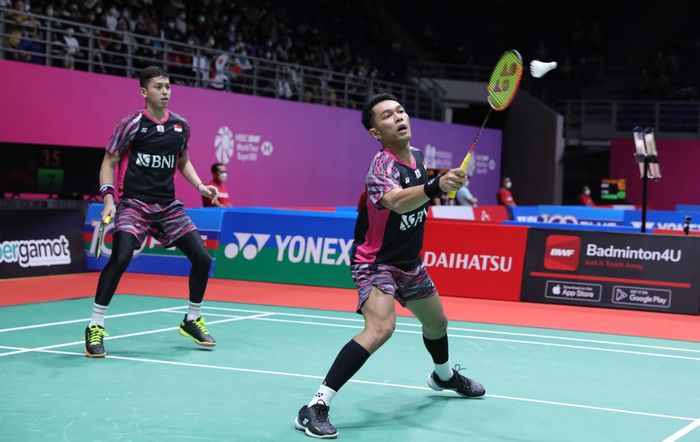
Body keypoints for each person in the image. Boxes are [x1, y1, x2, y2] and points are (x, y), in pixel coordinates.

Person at [294, 93, 486, 439]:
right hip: (375, 262)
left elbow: (423, 194)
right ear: (375, 133)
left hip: (408, 262)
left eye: (400, 111)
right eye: (387, 116)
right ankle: (315, 406)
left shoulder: (416, 158)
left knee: (437, 322)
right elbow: (396, 202)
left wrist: (443, 185)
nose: (398, 117)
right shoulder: (380, 167)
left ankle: (442, 376)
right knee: (381, 327)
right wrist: (435, 185)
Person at [84, 66, 220, 358]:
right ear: (144, 92)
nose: (165, 91)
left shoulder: (181, 126)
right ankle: (95, 326)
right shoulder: (131, 125)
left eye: (168, 86)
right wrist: (109, 199)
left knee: (202, 257)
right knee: (120, 256)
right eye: (158, 87)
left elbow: (182, 161)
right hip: (135, 204)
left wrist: (200, 186)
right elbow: (109, 161)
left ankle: (191, 319)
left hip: (168, 206)